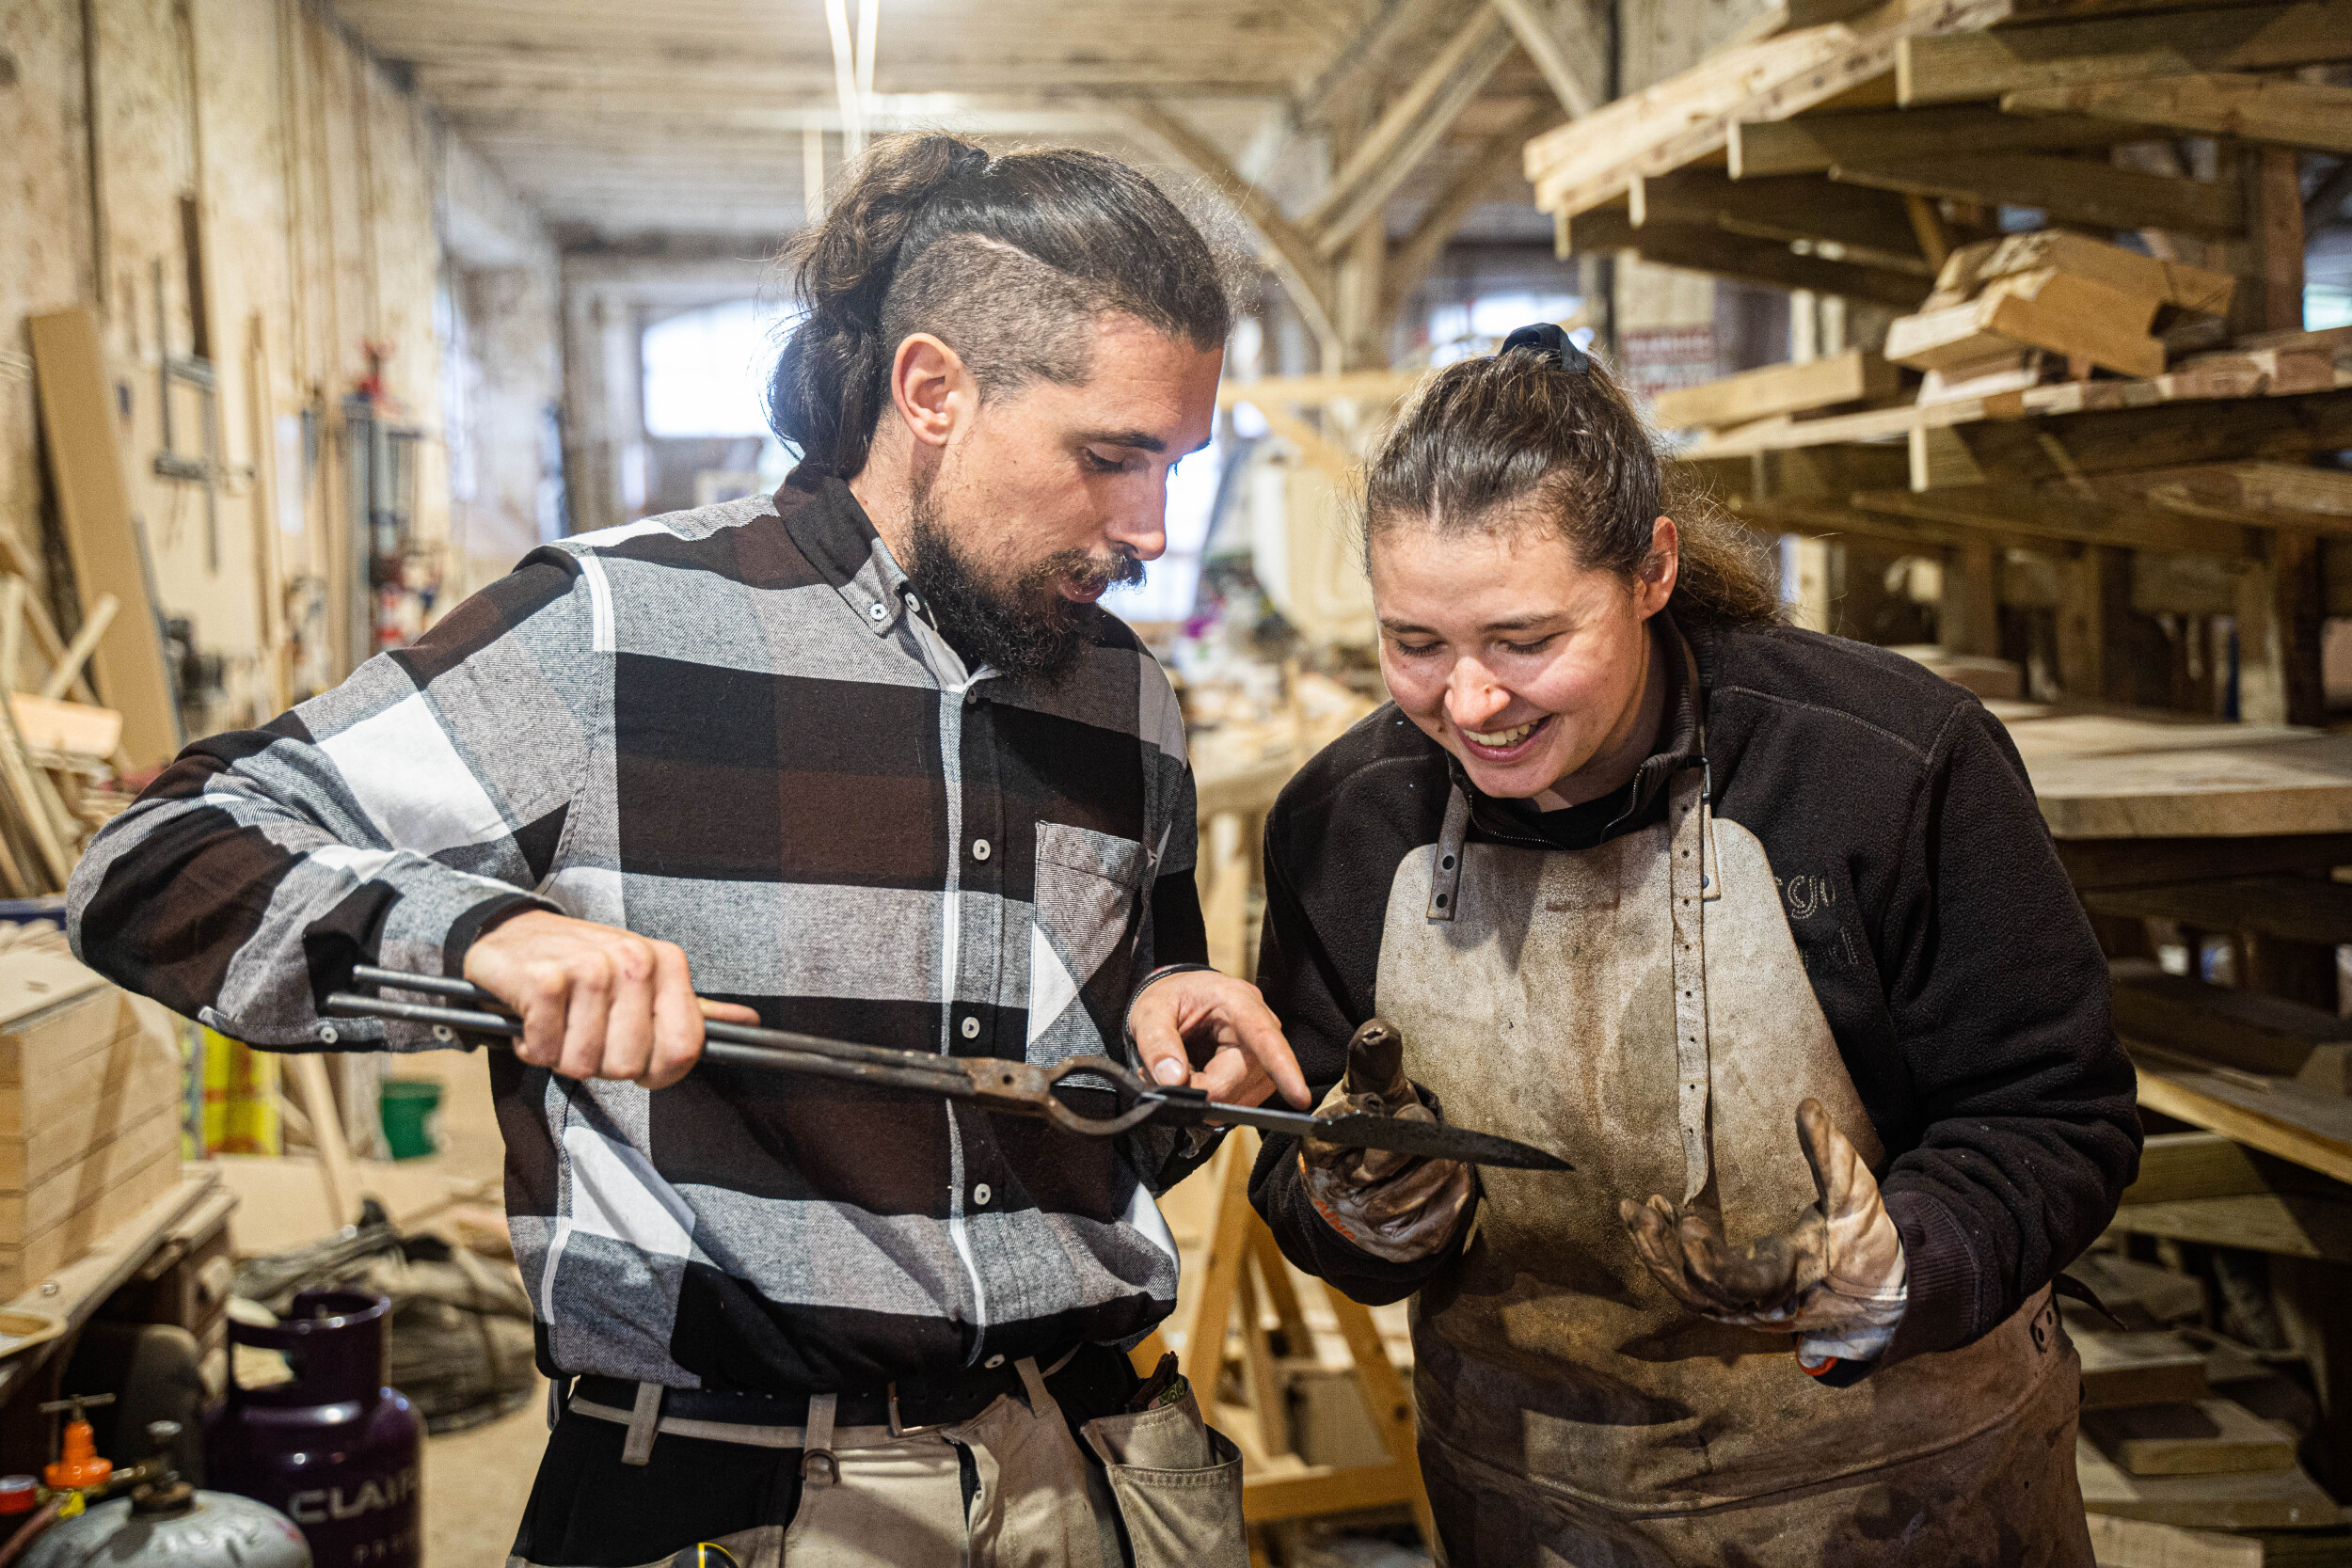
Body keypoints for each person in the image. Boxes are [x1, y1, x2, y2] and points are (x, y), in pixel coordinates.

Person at [67, 134, 1307, 1568]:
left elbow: (1117, 1121)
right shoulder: (614, 633)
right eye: (1111, 457)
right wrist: (482, 937)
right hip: (737, 1495)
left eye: (1178, 465)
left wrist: (1173, 1047)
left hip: (1082, 1469)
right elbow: (154, 856)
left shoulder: (1122, 696)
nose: (1152, 529)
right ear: (933, 391)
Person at [1248, 325, 2141, 1565]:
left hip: (1904, 1499)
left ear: (1652, 570)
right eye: (1416, 645)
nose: (1470, 703)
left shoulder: (1884, 771)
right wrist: (1355, 1214)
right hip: (1532, 1507)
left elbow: (2057, 1114)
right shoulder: (1345, 827)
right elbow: (1291, 1162)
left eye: (1525, 641)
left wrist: (1915, 1254)